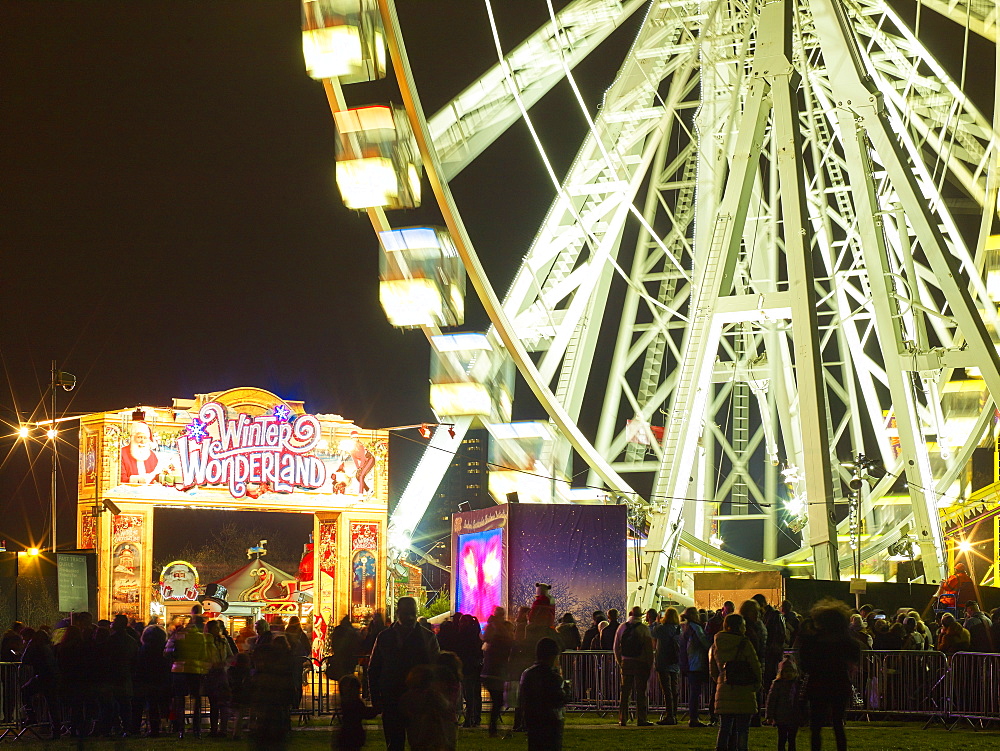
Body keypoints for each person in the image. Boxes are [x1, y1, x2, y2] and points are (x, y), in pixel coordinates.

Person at [368, 596, 440, 751]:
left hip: (418, 698)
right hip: (392, 696)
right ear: (398, 613)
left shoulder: (427, 637)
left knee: (420, 743)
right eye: (406, 612)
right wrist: (375, 697)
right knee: (395, 743)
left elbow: (435, 669)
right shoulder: (385, 637)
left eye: (412, 613)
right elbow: (373, 669)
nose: (409, 617)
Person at [798, 599, 861, 751]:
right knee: (838, 723)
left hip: (818, 684)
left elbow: (805, 663)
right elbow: (855, 659)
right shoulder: (847, 641)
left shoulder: (813, 641)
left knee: (816, 725)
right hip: (840, 683)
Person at [710, 613, 762, 751]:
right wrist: (757, 682)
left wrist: (720, 680)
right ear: (740, 626)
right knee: (742, 729)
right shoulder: (744, 643)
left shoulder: (717, 644)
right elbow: (755, 665)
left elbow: (713, 669)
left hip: (724, 688)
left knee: (725, 727)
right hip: (744, 689)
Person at [518, 637, 572, 750]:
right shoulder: (552, 677)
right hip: (550, 721)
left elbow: (523, 697)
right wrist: (567, 691)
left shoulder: (527, 674)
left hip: (532, 719)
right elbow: (558, 699)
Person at [165, 613, 210, 738]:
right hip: (195, 670)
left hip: (179, 670)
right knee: (197, 700)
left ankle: (181, 730)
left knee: (180, 700)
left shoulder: (177, 635)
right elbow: (204, 655)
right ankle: (197, 730)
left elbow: (167, 652)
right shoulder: (201, 637)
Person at [613, 606, 654, 727]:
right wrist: (649, 664)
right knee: (641, 692)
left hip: (626, 662)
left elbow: (616, 647)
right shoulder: (644, 629)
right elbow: (648, 649)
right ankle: (641, 718)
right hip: (640, 662)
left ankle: (623, 718)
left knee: (625, 692)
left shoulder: (622, 627)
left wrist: (620, 661)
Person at [132, 624, 170, 738]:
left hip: (144, 680)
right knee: (154, 706)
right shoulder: (164, 649)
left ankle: (135, 728)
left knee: (139, 706)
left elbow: (139, 665)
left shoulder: (143, 649)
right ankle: (155, 728)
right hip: (160, 680)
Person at [481, 608, 514, 737]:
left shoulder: (493, 641)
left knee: (497, 702)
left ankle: (493, 729)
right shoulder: (502, 641)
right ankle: (493, 729)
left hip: (490, 673)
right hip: (495, 674)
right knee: (497, 701)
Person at [680, 605, 712, 727]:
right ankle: (694, 718)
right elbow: (704, 643)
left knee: (693, 691)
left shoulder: (684, 627)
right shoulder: (696, 628)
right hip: (696, 662)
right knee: (695, 692)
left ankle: (693, 716)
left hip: (687, 663)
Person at [765, 657, 806, 751]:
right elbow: (772, 700)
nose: (788, 674)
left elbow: (803, 702)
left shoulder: (799, 684)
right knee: (782, 739)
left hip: (794, 716)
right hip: (781, 717)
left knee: (792, 740)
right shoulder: (778, 684)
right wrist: (770, 715)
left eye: (790, 671)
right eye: (786, 671)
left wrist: (804, 716)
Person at [651, 607, 682, 725]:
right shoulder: (678, 629)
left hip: (663, 661)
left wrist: (657, 621)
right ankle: (674, 714)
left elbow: (652, 632)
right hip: (675, 661)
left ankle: (669, 715)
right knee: (674, 689)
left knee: (666, 689)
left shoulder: (662, 629)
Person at [336, 673, 379, 750]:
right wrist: (376, 709)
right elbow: (365, 713)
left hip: (345, 733)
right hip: (355, 733)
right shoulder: (356, 703)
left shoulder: (345, 702)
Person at [456, 614, 483, 727]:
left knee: (469, 694)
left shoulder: (463, 637)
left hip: (467, 668)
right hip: (475, 667)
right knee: (475, 694)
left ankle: (469, 719)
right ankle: (476, 718)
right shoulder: (476, 636)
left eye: (461, 622)